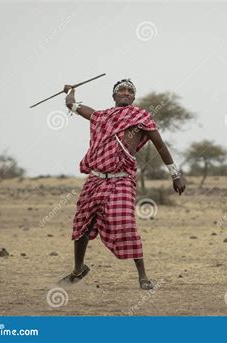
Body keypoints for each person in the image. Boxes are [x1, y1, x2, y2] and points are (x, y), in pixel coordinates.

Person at [59, 79, 186, 290]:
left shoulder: (141, 118)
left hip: (122, 179)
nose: (126, 93)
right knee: (82, 224)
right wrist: (71, 91)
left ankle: (143, 276)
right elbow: (72, 105)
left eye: (130, 91)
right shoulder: (101, 117)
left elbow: (161, 146)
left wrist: (175, 175)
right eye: (121, 90)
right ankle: (78, 269)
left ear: (134, 97)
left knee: (126, 223)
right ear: (114, 96)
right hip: (95, 179)